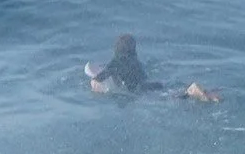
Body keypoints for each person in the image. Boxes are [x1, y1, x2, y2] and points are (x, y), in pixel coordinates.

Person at [87, 34, 221, 103]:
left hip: (141, 89)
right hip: (153, 84)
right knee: (170, 92)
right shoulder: (136, 61)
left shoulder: (115, 63)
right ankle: (195, 91)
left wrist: (95, 85)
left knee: (169, 99)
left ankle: (190, 91)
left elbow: (98, 79)